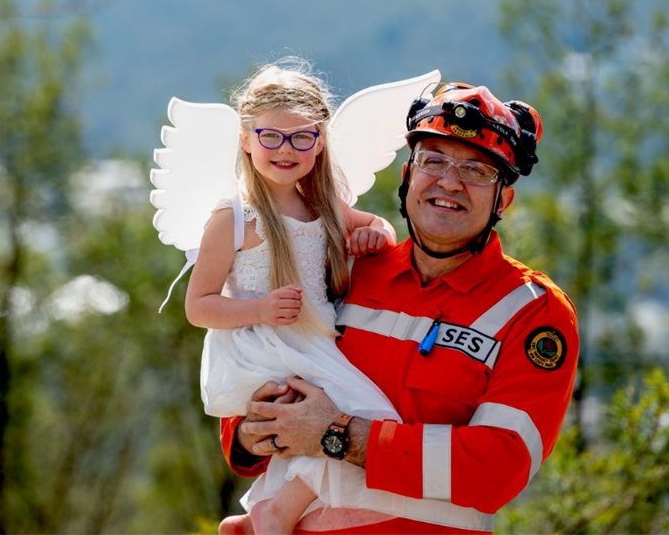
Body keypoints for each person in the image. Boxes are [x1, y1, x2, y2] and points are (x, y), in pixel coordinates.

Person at [222, 83, 581, 535]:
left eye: (476, 170)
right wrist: (249, 429)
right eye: (433, 160)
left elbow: (498, 467)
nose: (449, 182)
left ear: (503, 200)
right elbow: (265, 360)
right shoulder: (347, 267)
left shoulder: (533, 312)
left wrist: (338, 434)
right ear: (408, 175)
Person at [186, 61, 423, 535]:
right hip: (263, 344)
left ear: (319, 141)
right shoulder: (232, 217)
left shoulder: (320, 204)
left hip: (311, 338)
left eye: (302, 137)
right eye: (270, 136)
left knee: (343, 424)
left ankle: (270, 513)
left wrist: (376, 232)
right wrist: (260, 308)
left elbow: (373, 224)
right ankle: (275, 512)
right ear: (245, 138)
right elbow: (199, 306)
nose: (285, 149)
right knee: (364, 417)